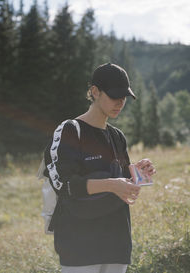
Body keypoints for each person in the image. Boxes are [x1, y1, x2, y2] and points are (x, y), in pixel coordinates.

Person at [43, 63, 156, 273]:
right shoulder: (69, 130)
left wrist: (138, 174)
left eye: (124, 97)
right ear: (95, 92)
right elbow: (64, 185)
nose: (120, 103)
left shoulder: (117, 136)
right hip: (79, 244)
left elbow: (124, 187)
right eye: (114, 96)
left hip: (117, 242)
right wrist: (111, 185)